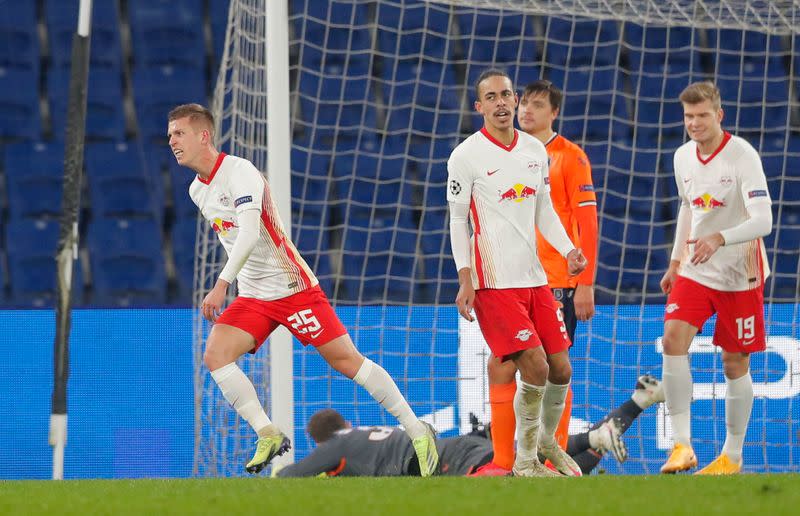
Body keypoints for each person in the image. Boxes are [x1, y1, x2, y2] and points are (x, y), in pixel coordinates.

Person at [167, 104, 438, 476]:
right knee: (216, 355)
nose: (172, 141)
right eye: (169, 135)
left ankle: (416, 429)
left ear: (203, 135)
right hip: (255, 296)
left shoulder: (240, 172)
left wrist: (220, 286)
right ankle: (268, 433)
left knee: (346, 362)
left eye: (178, 133)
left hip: (292, 288)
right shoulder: (198, 190)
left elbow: (248, 233)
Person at [447, 69, 588, 477]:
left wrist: (569, 250)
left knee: (562, 368)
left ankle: (546, 444)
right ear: (480, 107)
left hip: (536, 279)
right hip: (494, 282)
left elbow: (543, 208)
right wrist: (465, 277)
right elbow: (458, 221)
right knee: (536, 367)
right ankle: (524, 462)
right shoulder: (466, 155)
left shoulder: (533, 150)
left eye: (507, 95)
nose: (502, 103)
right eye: (491, 97)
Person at [659, 81, 773, 475]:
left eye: (702, 115)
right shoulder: (682, 157)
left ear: (719, 115)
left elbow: (765, 220)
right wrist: (675, 262)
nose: (695, 123)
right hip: (695, 267)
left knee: (734, 362)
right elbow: (689, 208)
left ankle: (732, 457)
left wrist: (721, 237)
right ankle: (682, 446)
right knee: (673, 338)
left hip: (740, 272)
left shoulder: (742, 156)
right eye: (689, 117)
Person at [275, 375, 664, 477]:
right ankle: (634, 406)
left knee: (521, 482)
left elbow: (292, 473)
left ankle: (598, 437)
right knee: (545, 470)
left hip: (454, 460)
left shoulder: (337, 448)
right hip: (458, 446)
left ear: (320, 441)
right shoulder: (365, 434)